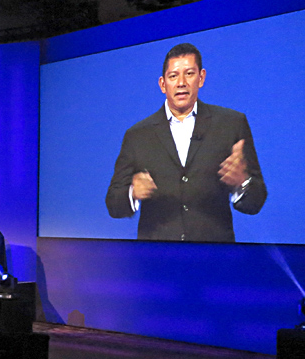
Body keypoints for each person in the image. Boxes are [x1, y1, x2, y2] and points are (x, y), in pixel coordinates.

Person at [106, 43, 267, 242]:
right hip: (158, 255)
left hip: (214, 254)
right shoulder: (137, 135)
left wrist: (243, 182)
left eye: (189, 73)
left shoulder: (231, 124)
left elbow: (256, 201)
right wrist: (132, 192)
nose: (181, 83)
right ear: (162, 84)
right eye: (173, 76)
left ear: (201, 77)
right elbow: (113, 204)